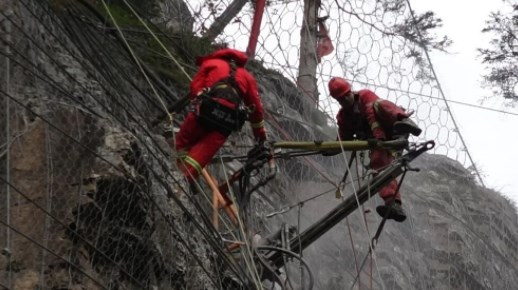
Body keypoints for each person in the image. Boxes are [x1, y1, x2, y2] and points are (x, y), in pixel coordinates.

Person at [327, 77, 422, 222]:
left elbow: (372, 116)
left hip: (390, 128)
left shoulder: (365, 96)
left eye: (347, 94)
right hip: (381, 143)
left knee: (379, 105)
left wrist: (379, 138)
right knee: (377, 163)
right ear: (338, 101)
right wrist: (331, 149)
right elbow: (343, 139)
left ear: (351, 91)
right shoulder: (344, 117)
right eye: (341, 99)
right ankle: (393, 204)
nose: (346, 99)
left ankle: (404, 121)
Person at [174, 48, 267, 185]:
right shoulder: (247, 77)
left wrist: (200, 99)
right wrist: (260, 137)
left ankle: (175, 173)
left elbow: (195, 89)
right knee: (200, 156)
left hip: (204, 112)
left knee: (182, 143)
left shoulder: (211, 63)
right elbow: (256, 111)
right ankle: (184, 180)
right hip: (226, 122)